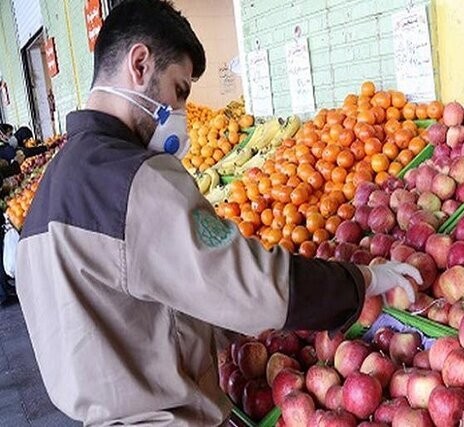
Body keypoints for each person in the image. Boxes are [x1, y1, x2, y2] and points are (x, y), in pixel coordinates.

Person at [16, 1, 421, 425]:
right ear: (139, 64)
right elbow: (253, 285)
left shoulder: (49, 193)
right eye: (179, 90)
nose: (180, 114)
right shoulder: (136, 181)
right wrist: (365, 280)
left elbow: (133, 310)